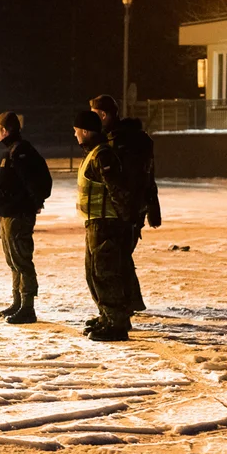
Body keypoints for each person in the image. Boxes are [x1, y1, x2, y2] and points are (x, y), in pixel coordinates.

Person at [90, 95, 161, 317]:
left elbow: (135, 178)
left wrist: (131, 210)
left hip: (124, 210)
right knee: (122, 256)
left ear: (103, 115)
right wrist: (152, 205)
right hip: (133, 208)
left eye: (94, 115)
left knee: (116, 259)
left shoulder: (118, 142)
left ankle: (123, 306)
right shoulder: (135, 138)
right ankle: (131, 301)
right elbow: (150, 176)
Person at [73, 111, 134, 341]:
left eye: (77, 130)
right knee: (94, 274)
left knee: (104, 273)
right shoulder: (93, 153)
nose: (75, 134)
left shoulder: (102, 155)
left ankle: (116, 323)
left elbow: (117, 189)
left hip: (105, 224)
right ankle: (107, 316)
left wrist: (125, 220)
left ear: (86, 131)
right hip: (94, 223)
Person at [0, 111, 51, 324]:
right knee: (13, 260)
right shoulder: (12, 151)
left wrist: (31, 204)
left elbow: (36, 183)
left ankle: (27, 307)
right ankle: (17, 302)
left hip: (18, 216)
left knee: (21, 260)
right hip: (8, 216)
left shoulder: (21, 152)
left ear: (5, 131)